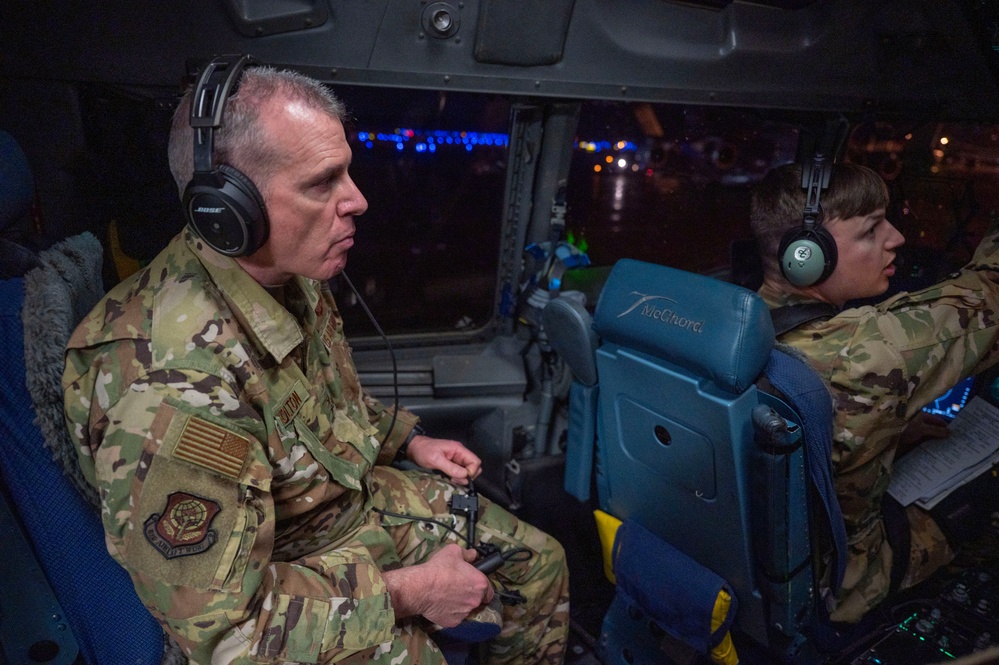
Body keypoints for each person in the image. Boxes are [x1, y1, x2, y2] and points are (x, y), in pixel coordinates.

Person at [62, 62, 569, 664]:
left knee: (540, 565)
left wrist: (406, 443)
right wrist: (415, 593)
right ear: (226, 210)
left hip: (343, 509)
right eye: (322, 182)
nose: (357, 199)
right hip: (282, 571)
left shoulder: (288, 276)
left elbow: (314, 407)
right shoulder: (175, 387)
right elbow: (230, 636)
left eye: (346, 172)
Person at [750, 161, 999, 625]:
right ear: (806, 256)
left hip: (762, 557)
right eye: (871, 229)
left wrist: (895, 431)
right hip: (847, 582)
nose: (896, 238)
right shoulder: (866, 352)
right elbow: (992, 293)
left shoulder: (739, 319)